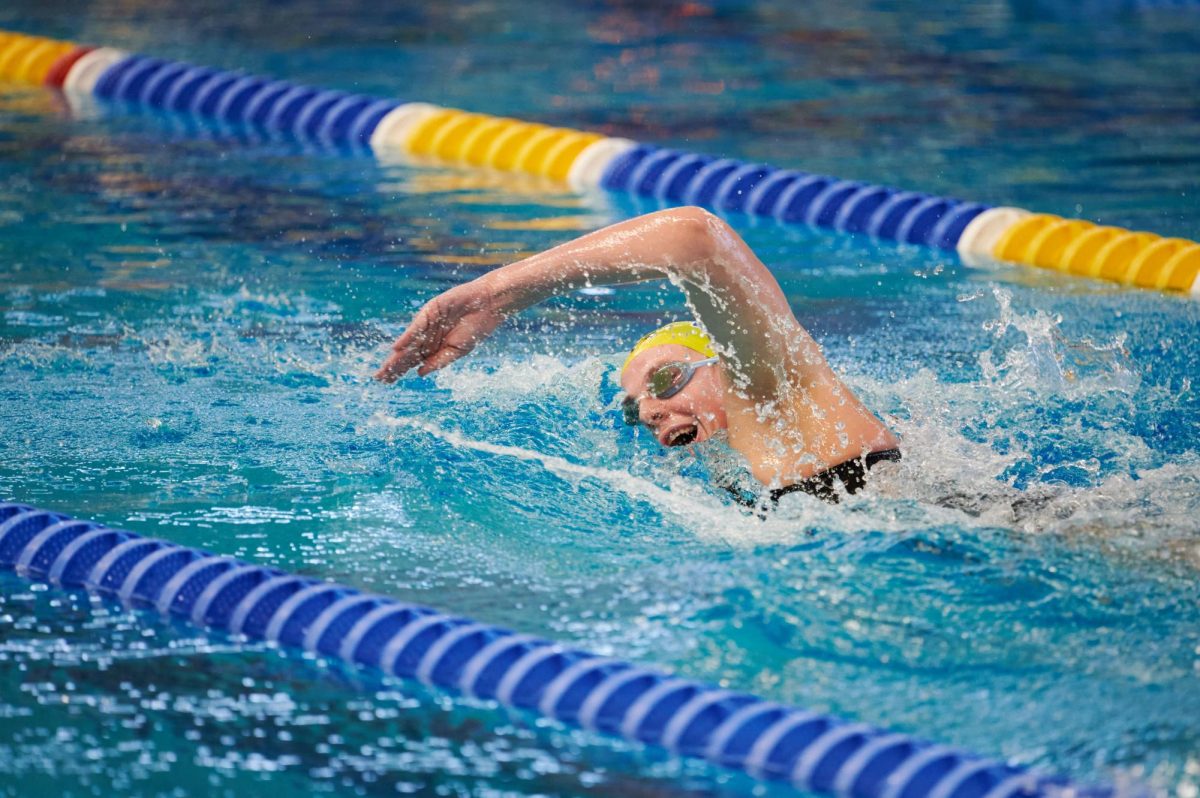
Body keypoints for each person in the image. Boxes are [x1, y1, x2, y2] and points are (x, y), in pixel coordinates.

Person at [375, 206, 900, 503]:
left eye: (666, 377)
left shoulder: (773, 392)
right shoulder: (735, 471)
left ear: (722, 362)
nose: (647, 410)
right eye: (634, 408)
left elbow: (694, 236)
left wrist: (499, 292)